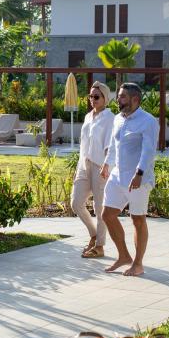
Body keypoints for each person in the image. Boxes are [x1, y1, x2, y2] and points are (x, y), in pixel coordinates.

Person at [100, 82, 159, 276]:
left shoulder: (148, 121)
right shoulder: (118, 118)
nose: (119, 100)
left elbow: (148, 150)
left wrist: (139, 173)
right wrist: (106, 164)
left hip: (138, 178)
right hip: (118, 176)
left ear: (135, 99)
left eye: (123, 97)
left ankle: (138, 264)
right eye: (118, 96)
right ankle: (124, 256)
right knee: (107, 215)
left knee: (138, 219)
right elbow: (113, 145)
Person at [71, 80, 114, 258]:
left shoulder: (110, 118)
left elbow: (111, 145)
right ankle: (94, 234)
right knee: (76, 203)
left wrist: (106, 165)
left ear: (105, 98)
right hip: (84, 164)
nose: (92, 99)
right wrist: (80, 164)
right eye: (90, 96)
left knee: (99, 207)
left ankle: (100, 246)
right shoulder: (88, 116)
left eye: (96, 96)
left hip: (100, 165)